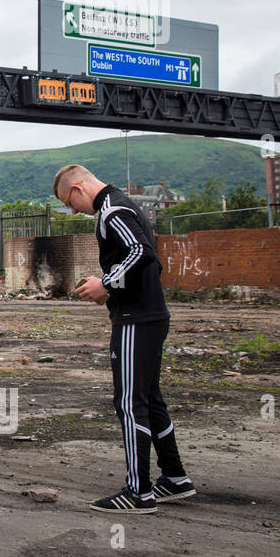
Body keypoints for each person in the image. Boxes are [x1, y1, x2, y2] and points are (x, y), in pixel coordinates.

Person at [54, 164, 195, 513]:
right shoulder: (123, 204)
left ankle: (138, 492)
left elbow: (141, 252)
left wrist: (106, 281)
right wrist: (112, 285)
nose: (73, 211)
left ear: (77, 188)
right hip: (149, 314)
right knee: (149, 399)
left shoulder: (112, 210)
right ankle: (174, 478)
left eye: (69, 203)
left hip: (137, 319)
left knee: (130, 404)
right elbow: (145, 258)